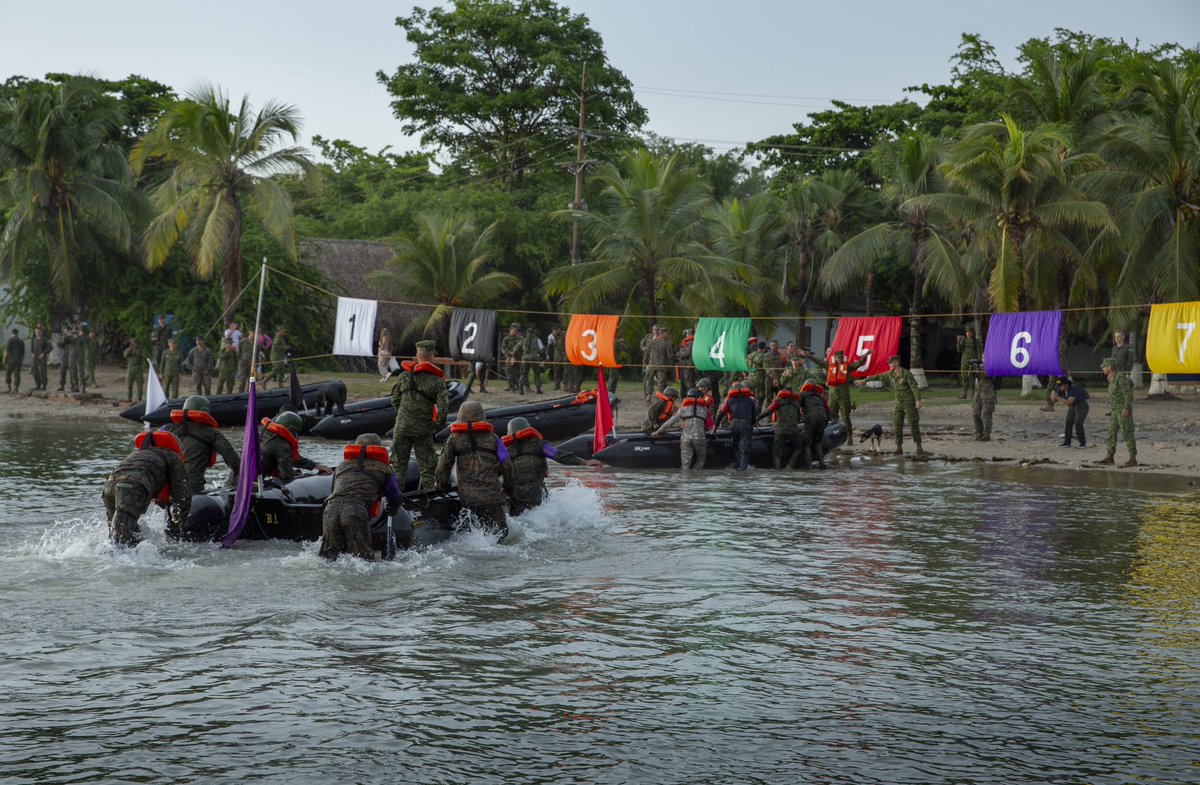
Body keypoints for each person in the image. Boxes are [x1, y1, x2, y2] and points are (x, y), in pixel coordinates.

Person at [319, 434, 402, 562]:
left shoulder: (342, 466)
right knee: (362, 560)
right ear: (378, 447)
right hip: (355, 511)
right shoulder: (384, 469)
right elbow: (395, 496)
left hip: (330, 510)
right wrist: (393, 509)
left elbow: (333, 491)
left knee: (328, 558)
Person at [435, 400, 513, 536]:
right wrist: (508, 489)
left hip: (468, 500)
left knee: (474, 534)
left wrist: (441, 487)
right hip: (492, 498)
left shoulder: (453, 439)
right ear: (482, 416)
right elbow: (507, 465)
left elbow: (443, 467)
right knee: (500, 534)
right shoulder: (494, 439)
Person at [101, 430, 190, 546]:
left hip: (108, 487)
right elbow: (182, 492)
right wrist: (179, 523)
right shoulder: (172, 456)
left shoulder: (138, 453)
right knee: (122, 540)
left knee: (116, 535)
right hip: (131, 487)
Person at [503, 416, 598, 514]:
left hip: (515, 495)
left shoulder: (505, 452)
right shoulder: (538, 445)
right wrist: (585, 462)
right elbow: (558, 455)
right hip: (535, 493)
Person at [390, 339, 449, 488]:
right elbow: (443, 408)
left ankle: (396, 496)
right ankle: (429, 494)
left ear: (417, 355)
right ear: (432, 356)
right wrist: (436, 425)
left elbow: (395, 399)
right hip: (423, 428)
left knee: (398, 464)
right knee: (427, 466)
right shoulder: (437, 381)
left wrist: (404, 415)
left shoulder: (403, 377)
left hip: (402, 426)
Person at [162, 395, 241, 493]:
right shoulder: (212, 433)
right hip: (192, 489)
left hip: (165, 488)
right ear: (205, 412)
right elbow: (232, 458)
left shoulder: (167, 429)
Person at [856, 355, 926, 458]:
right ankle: (899, 448)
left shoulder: (906, 374)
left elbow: (914, 387)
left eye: (890, 363)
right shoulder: (890, 374)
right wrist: (864, 380)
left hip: (909, 404)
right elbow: (878, 376)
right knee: (897, 424)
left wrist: (918, 400)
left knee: (913, 425)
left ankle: (919, 447)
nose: (889, 365)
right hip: (899, 404)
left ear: (896, 363)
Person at [808, 349, 871, 444]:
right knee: (832, 416)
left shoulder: (847, 367)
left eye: (841, 358)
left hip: (844, 396)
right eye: (838, 358)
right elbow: (818, 362)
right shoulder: (829, 366)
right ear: (835, 358)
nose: (840, 359)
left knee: (846, 416)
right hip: (833, 395)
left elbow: (858, 364)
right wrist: (808, 356)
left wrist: (865, 355)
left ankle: (849, 436)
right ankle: (832, 436)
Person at [258, 410, 332, 480]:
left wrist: (315, 465)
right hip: (256, 481)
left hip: (254, 474)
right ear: (292, 430)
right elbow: (286, 476)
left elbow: (293, 458)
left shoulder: (263, 432)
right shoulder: (282, 445)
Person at [654, 387, 714, 469]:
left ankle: (685, 476)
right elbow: (710, 426)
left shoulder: (683, 409)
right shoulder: (705, 410)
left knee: (685, 464)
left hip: (686, 439)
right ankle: (698, 474)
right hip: (699, 438)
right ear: (698, 397)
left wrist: (658, 431)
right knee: (700, 460)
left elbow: (670, 422)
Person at [1099, 357, 1136, 467]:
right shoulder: (1110, 378)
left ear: (1109, 367)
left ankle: (1132, 458)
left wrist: (1126, 408)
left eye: (1104, 367)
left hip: (1122, 409)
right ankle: (1109, 457)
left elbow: (1128, 394)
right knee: (1111, 432)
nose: (1103, 369)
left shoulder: (1119, 377)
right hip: (1114, 410)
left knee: (1127, 432)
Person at [758, 387, 805, 470]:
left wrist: (757, 418)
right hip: (793, 429)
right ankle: (790, 466)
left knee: (776, 452)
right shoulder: (796, 403)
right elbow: (798, 418)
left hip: (780, 429)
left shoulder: (778, 402)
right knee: (798, 448)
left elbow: (767, 411)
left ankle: (778, 470)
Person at [713, 381, 756, 471]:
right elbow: (754, 417)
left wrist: (714, 430)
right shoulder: (751, 401)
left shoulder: (729, 401)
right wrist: (750, 426)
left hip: (734, 425)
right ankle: (743, 470)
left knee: (736, 447)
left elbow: (720, 415)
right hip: (745, 424)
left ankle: (737, 466)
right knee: (744, 448)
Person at [797, 380, 831, 470]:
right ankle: (822, 463)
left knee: (807, 443)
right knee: (818, 442)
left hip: (811, 419)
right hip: (822, 419)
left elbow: (796, 406)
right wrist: (828, 421)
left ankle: (809, 465)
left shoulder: (803, 394)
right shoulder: (821, 396)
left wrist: (797, 420)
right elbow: (827, 409)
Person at [1051, 376, 1089, 448]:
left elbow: (1069, 401)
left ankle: (1082, 443)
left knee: (1078, 423)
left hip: (1082, 407)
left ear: (1066, 384)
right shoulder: (1061, 390)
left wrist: (1058, 397)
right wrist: (1053, 396)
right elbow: (1055, 400)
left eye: (1061, 385)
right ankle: (1067, 442)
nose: (1060, 387)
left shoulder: (1073, 389)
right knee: (1068, 423)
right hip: (1072, 407)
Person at [969, 359, 997, 442]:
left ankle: (986, 434)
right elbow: (971, 376)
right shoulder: (980, 367)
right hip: (978, 393)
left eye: (985, 357)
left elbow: (985, 375)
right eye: (982, 357)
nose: (983, 359)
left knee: (986, 414)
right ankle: (979, 433)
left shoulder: (992, 366)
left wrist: (977, 368)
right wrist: (971, 368)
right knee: (975, 414)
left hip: (988, 393)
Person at [644, 326, 674, 400]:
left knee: (649, 380)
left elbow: (646, 353)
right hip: (661, 365)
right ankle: (660, 396)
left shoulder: (651, 342)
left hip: (651, 364)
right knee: (661, 381)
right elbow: (669, 356)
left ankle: (649, 395)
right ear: (662, 333)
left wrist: (645, 363)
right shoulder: (666, 343)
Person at [956, 327, 983, 398]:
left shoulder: (976, 342)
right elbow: (959, 350)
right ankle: (964, 393)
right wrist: (958, 342)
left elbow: (979, 352)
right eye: (967, 332)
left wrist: (979, 361)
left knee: (972, 377)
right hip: (964, 362)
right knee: (964, 377)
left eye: (970, 332)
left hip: (973, 362)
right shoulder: (964, 341)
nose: (968, 334)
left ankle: (973, 393)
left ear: (973, 333)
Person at [520, 324, 544, 395]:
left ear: (527, 333)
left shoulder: (523, 340)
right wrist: (538, 354)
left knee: (523, 374)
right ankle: (538, 389)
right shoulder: (537, 340)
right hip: (534, 358)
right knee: (536, 373)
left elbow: (516, 348)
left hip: (525, 358)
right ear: (533, 333)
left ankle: (521, 389)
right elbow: (542, 349)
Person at [745, 340, 768, 414]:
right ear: (764, 348)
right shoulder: (763, 356)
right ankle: (757, 413)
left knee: (751, 396)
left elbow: (745, 366)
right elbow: (766, 368)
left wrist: (746, 375)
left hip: (750, 379)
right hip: (759, 380)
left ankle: (749, 412)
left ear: (757, 347)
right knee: (760, 397)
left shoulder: (750, 356)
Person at [501, 323, 523, 392]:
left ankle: (516, 386)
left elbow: (522, 347)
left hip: (518, 358)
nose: (515, 331)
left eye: (516, 330)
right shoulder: (506, 338)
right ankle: (511, 387)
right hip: (509, 358)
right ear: (510, 330)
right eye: (514, 330)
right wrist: (509, 353)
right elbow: (503, 349)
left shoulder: (519, 338)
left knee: (516, 373)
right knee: (509, 373)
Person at [70, 321, 88, 393]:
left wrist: (82, 335)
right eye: (74, 331)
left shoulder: (81, 338)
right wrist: (67, 335)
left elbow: (86, 344)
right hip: (72, 358)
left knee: (81, 373)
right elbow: (62, 343)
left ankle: (83, 386)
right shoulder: (71, 339)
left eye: (76, 331)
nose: (75, 333)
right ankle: (75, 386)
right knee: (73, 373)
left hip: (80, 357)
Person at [4, 328, 24, 394]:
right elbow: (23, 352)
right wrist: (21, 360)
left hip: (11, 360)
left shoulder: (10, 340)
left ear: (12, 333)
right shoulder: (21, 341)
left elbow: (7, 352)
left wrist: (4, 360)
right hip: (18, 360)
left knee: (8, 373)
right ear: (17, 333)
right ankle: (16, 388)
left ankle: (9, 388)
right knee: (17, 374)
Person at [57, 323, 75, 392]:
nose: (66, 332)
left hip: (71, 357)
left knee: (72, 373)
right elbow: (59, 344)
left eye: (67, 331)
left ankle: (73, 386)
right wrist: (65, 337)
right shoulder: (64, 337)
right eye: (65, 331)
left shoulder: (73, 337)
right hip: (64, 357)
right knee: (62, 372)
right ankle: (62, 385)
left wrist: (70, 336)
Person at [31, 326, 50, 391]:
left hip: (42, 359)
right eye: (36, 332)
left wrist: (44, 353)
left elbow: (50, 347)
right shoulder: (34, 339)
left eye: (39, 332)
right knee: (35, 372)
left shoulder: (45, 339)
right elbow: (32, 347)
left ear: (42, 332)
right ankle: (38, 385)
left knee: (42, 373)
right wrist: (32, 353)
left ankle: (44, 386)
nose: (37, 333)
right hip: (35, 358)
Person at [549, 326, 566, 391]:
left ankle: (565, 385)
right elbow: (549, 346)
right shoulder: (551, 336)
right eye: (554, 331)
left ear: (559, 329)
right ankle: (557, 385)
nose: (555, 333)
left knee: (567, 369)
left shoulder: (565, 334)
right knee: (556, 369)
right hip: (557, 354)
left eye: (556, 331)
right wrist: (547, 354)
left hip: (565, 353)